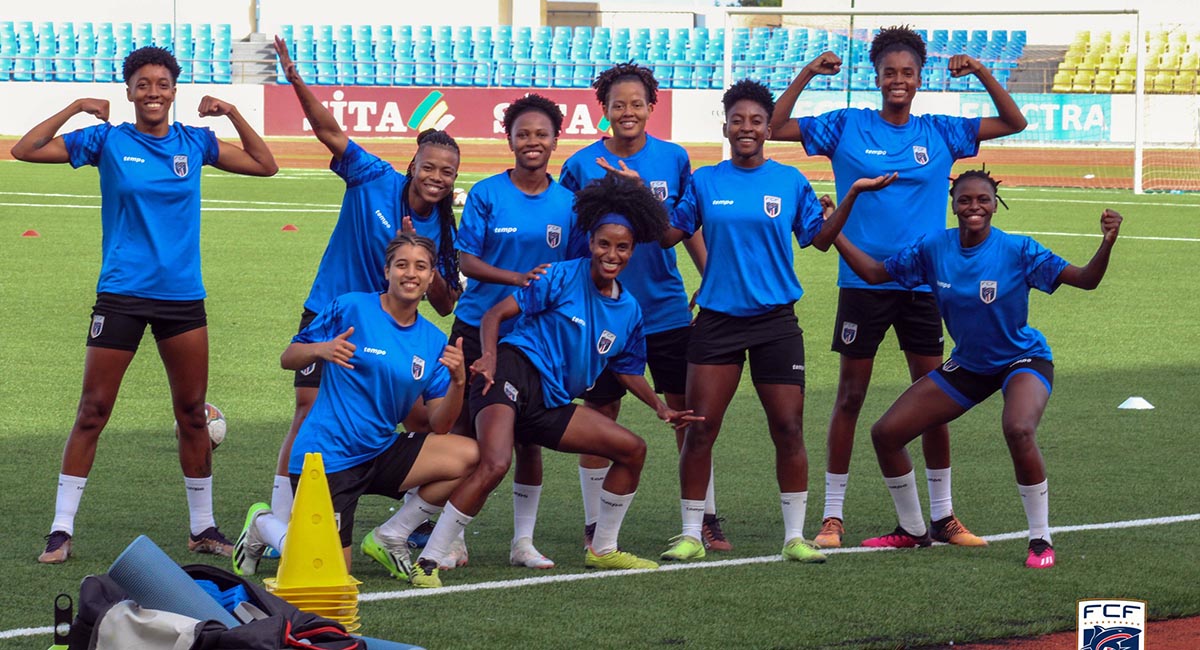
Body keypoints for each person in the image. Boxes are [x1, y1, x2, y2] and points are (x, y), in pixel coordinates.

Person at [11, 46, 278, 564]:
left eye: (162, 84)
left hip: (182, 299)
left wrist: (233, 113)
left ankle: (203, 529)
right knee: (93, 410)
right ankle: (61, 530)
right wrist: (75, 107)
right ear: (128, 91)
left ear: (174, 91)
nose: (153, 92)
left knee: (191, 414)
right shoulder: (106, 141)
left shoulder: (195, 142)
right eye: (143, 84)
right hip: (122, 293)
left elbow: (265, 165)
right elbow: (25, 149)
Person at [768, 25, 1028, 548]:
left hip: (927, 283)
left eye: (908, 72)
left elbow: (1013, 121)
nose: (898, 81)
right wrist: (807, 72)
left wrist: (978, 70)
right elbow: (776, 126)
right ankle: (833, 516)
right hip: (861, 280)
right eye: (890, 72)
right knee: (850, 396)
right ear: (877, 76)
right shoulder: (845, 125)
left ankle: (943, 516)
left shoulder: (940, 132)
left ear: (920, 77)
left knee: (934, 396)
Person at [408, 174, 700, 588]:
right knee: (493, 463)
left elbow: (627, 368)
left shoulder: (631, 311)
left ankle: (602, 550)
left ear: (633, 250)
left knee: (632, 450)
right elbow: (494, 316)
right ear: (591, 241)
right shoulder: (561, 275)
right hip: (511, 372)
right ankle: (430, 561)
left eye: (621, 247)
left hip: (549, 399)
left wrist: (660, 406)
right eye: (603, 244)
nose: (611, 254)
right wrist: (489, 357)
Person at [657, 79, 895, 564]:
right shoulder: (704, 181)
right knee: (700, 429)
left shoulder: (790, 181)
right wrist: (635, 194)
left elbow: (820, 239)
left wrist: (851, 195)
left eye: (756, 121)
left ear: (768, 128)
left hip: (775, 323)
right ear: (724, 127)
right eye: (738, 120)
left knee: (788, 428)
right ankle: (689, 534)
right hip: (718, 321)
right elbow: (668, 235)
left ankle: (793, 538)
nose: (747, 128)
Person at [833, 169, 1120, 568]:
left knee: (1018, 428)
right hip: (969, 365)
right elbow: (875, 274)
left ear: (994, 205)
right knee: (886, 434)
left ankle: (1040, 539)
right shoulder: (934, 247)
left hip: (1022, 359)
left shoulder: (1019, 250)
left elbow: (1086, 280)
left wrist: (1106, 242)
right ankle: (915, 529)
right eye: (965, 200)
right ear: (952, 205)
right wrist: (837, 234)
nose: (974, 208)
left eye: (983, 200)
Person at [251, 37, 464, 558]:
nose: (437, 178)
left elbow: (444, 303)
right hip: (335, 312)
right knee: (310, 411)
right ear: (413, 164)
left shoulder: (444, 230)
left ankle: (406, 525)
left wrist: (426, 251)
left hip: (392, 326)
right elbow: (328, 130)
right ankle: (281, 522)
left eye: (448, 172)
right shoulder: (372, 177)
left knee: (418, 418)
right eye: (429, 166)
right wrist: (295, 79)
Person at [234, 233, 479, 578]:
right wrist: (321, 350)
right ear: (387, 271)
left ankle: (390, 535)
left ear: (430, 277)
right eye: (402, 265)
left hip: (379, 449)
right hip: (326, 457)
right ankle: (264, 525)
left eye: (421, 267)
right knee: (330, 573)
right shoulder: (352, 307)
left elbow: (439, 423)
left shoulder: (433, 340)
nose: (411, 274)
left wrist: (458, 383)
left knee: (468, 455)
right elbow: (288, 357)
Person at [558, 63, 727, 552]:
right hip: (601, 315)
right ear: (604, 110)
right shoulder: (581, 165)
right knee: (601, 411)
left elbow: (688, 224)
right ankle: (595, 523)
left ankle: (703, 519)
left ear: (652, 107)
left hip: (665, 309)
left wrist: (709, 277)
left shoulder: (673, 159)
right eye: (618, 104)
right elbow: (572, 239)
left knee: (684, 412)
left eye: (636, 103)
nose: (627, 112)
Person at [446, 94, 581, 570]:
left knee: (529, 438)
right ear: (509, 139)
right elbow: (466, 260)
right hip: (476, 323)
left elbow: (575, 270)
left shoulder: (569, 203)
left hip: (534, 339)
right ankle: (453, 536)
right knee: (464, 431)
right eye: (523, 134)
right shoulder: (486, 193)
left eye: (541, 134)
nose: (532, 142)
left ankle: (522, 542)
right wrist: (517, 278)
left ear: (554, 140)